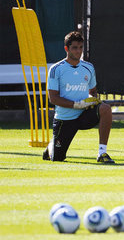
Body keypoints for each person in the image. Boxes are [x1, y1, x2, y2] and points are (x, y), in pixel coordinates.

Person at [42, 31, 114, 163]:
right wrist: (76, 104)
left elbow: (93, 91)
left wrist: (91, 100)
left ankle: (102, 153)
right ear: (66, 49)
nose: (78, 51)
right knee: (57, 159)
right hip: (65, 118)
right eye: (75, 47)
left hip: (83, 115)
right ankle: (51, 147)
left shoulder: (88, 67)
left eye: (81, 47)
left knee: (105, 108)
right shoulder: (56, 69)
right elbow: (53, 98)